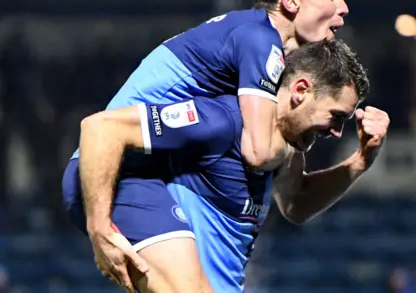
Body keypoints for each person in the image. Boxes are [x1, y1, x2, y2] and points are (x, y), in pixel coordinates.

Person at [70, 0, 349, 292]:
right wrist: (100, 227)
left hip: (148, 171)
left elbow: (293, 199)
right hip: (116, 170)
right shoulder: (259, 40)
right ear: (291, 2)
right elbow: (259, 152)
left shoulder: (259, 48)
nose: (344, 7)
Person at [63, 39, 390, 292]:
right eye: (336, 117)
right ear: (301, 91)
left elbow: (297, 203)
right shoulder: (223, 121)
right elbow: (100, 128)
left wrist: (361, 161)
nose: (337, 132)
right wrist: (99, 229)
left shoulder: (284, 151)